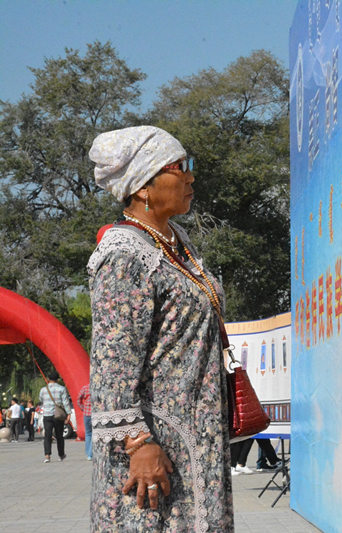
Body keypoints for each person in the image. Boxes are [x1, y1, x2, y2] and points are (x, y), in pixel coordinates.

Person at [87, 126, 233, 532]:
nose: (190, 177)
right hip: (155, 449)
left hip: (195, 438)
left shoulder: (174, 243)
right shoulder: (123, 257)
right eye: (180, 167)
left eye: (191, 166)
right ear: (143, 186)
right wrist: (137, 443)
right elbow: (111, 365)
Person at [38, 376, 73, 462]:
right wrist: (69, 413)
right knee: (59, 435)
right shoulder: (62, 388)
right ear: (57, 379)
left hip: (47, 415)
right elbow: (65, 402)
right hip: (58, 415)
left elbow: (40, 399)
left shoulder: (43, 390)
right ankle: (61, 455)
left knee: (48, 435)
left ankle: (47, 456)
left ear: (48, 379)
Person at [77, 383, 92, 460]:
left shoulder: (85, 387)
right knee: (94, 434)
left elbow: (78, 399)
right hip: (95, 414)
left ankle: (88, 454)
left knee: (88, 434)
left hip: (86, 413)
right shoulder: (97, 387)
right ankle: (90, 453)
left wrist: (82, 407)